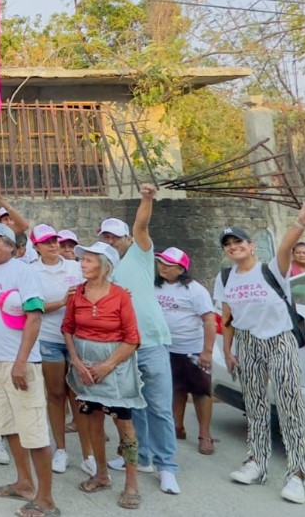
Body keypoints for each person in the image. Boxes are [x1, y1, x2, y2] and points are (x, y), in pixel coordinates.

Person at [217, 210, 305, 503]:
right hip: (248, 343)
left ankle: (298, 474)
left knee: (289, 405)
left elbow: (285, 246)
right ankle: (256, 461)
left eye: (238, 241)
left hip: (279, 340)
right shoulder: (225, 277)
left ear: (252, 244)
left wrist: (300, 223)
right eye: (228, 244)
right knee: (254, 404)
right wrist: (228, 350)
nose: (233, 247)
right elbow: (228, 317)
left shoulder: (272, 269)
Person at [100, 183, 180, 495]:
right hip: (122, 349)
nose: (110, 241)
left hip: (151, 342)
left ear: (128, 239)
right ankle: (142, 456)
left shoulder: (140, 254)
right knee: (134, 407)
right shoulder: (102, 268)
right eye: (105, 236)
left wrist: (146, 198)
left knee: (159, 407)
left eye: (115, 236)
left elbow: (142, 224)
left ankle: (167, 466)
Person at [0, 222, 56, 517]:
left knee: (34, 432)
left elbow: (34, 317)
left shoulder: (24, 272)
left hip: (19, 364)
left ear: (11, 245)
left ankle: (45, 499)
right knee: (7, 426)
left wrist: (22, 361)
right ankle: (23, 482)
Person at [63, 242, 144, 510]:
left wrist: (107, 366)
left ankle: (131, 482)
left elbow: (132, 338)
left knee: (124, 425)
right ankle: (101, 474)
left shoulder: (121, 296)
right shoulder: (77, 294)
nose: (82, 264)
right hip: (85, 367)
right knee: (92, 421)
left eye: (88, 260)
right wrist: (76, 361)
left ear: (104, 265)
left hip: (115, 368)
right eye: (82, 260)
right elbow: (68, 328)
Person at [28, 223, 89, 475]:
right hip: (48, 339)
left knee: (80, 396)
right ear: (36, 247)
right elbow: (33, 307)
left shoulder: (76, 267)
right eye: (47, 242)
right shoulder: (30, 271)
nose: (54, 245)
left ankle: (89, 453)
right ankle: (61, 449)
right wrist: (63, 302)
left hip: (78, 339)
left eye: (55, 240)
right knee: (55, 395)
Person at [153, 247, 217, 455]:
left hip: (192, 349)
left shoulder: (195, 290)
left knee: (200, 391)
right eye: (161, 263)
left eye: (168, 265)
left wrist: (207, 352)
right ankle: (176, 427)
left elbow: (209, 321)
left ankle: (204, 435)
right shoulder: (155, 286)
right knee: (175, 387)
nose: (162, 268)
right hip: (165, 348)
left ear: (181, 269)